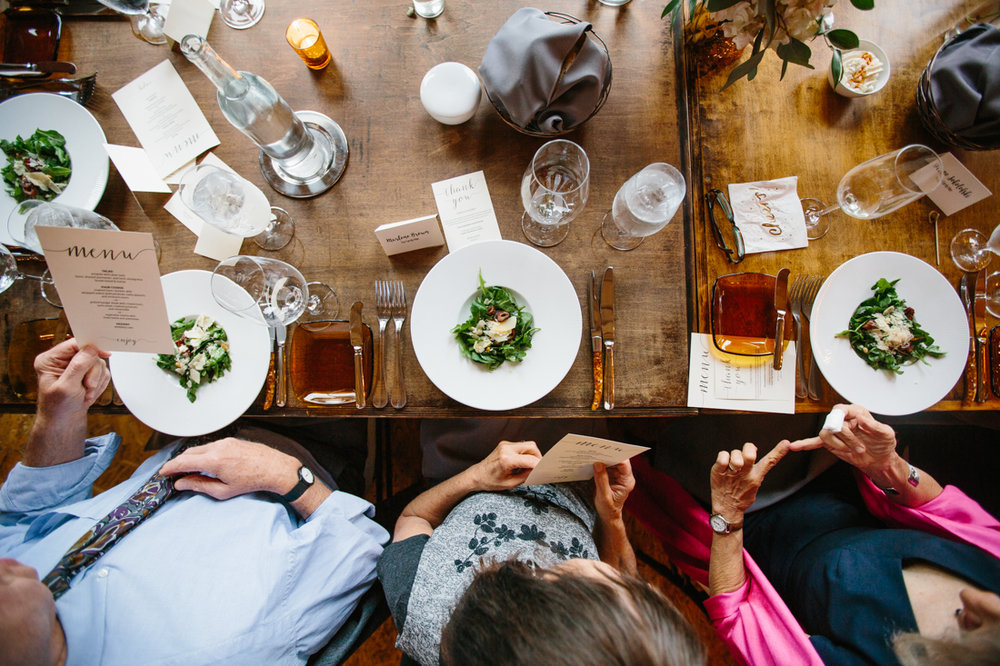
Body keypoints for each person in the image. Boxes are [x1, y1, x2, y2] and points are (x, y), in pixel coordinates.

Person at [0, 339, 388, 665]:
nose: (3, 565)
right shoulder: (229, 650)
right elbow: (361, 546)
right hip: (305, 446)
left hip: (186, 433)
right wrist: (281, 472)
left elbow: (22, 517)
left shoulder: (19, 581)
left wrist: (57, 417)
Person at [627, 403, 1000, 665]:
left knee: (662, 420)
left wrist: (728, 515)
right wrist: (889, 467)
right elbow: (947, 513)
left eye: (988, 629)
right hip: (842, 482)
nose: (974, 595)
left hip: (751, 534)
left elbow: (736, 619)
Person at [377, 438, 705, 666]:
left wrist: (476, 476)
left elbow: (413, 519)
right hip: (577, 483)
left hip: (466, 473)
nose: (631, 579)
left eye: (606, 590)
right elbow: (621, 572)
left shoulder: (425, 611)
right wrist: (612, 517)